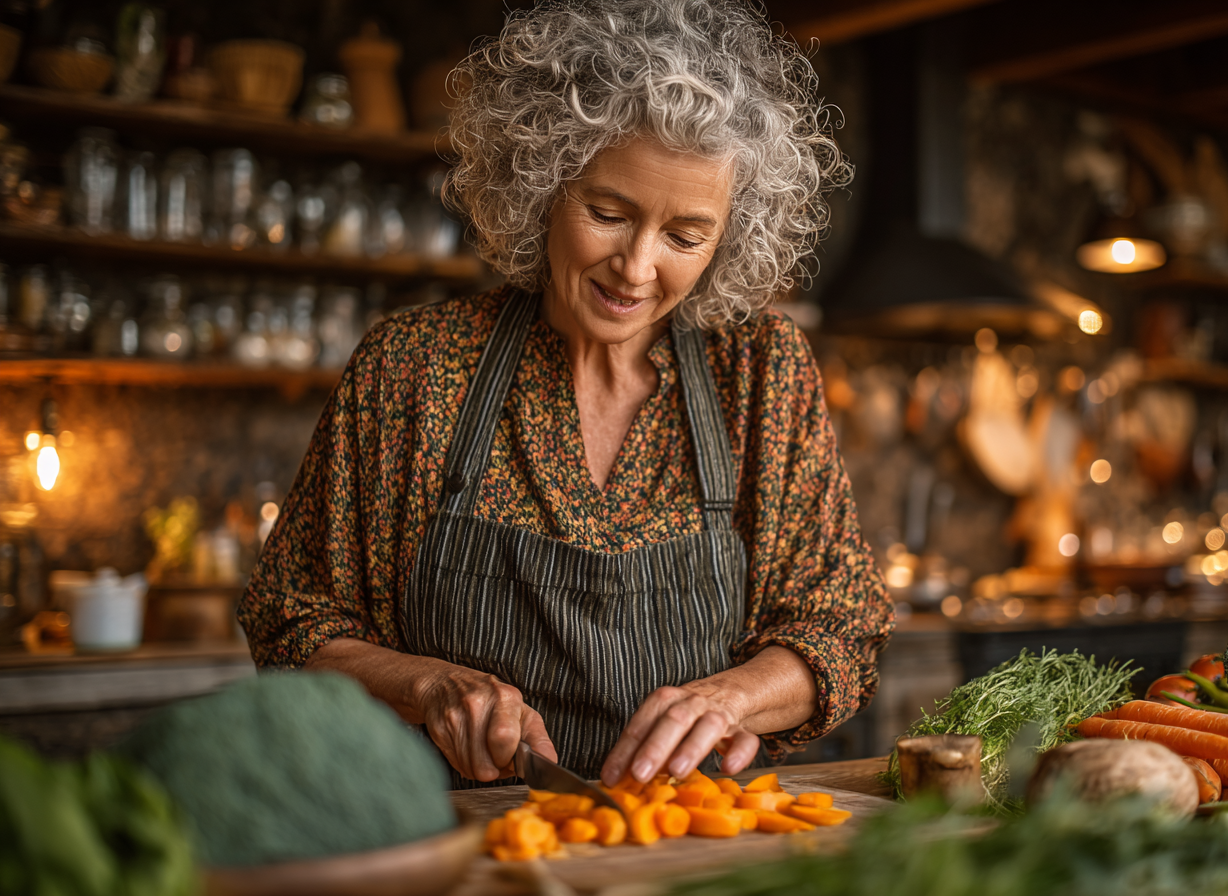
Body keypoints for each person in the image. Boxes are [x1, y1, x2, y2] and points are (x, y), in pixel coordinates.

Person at [239, 0, 891, 791]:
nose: (637, 267)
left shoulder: (760, 372)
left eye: (685, 236)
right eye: (608, 214)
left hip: (692, 841)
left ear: (729, 236)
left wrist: (733, 698)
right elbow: (291, 620)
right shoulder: (411, 368)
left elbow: (840, 621)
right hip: (459, 846)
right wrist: (426, 685)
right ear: (542, 182)